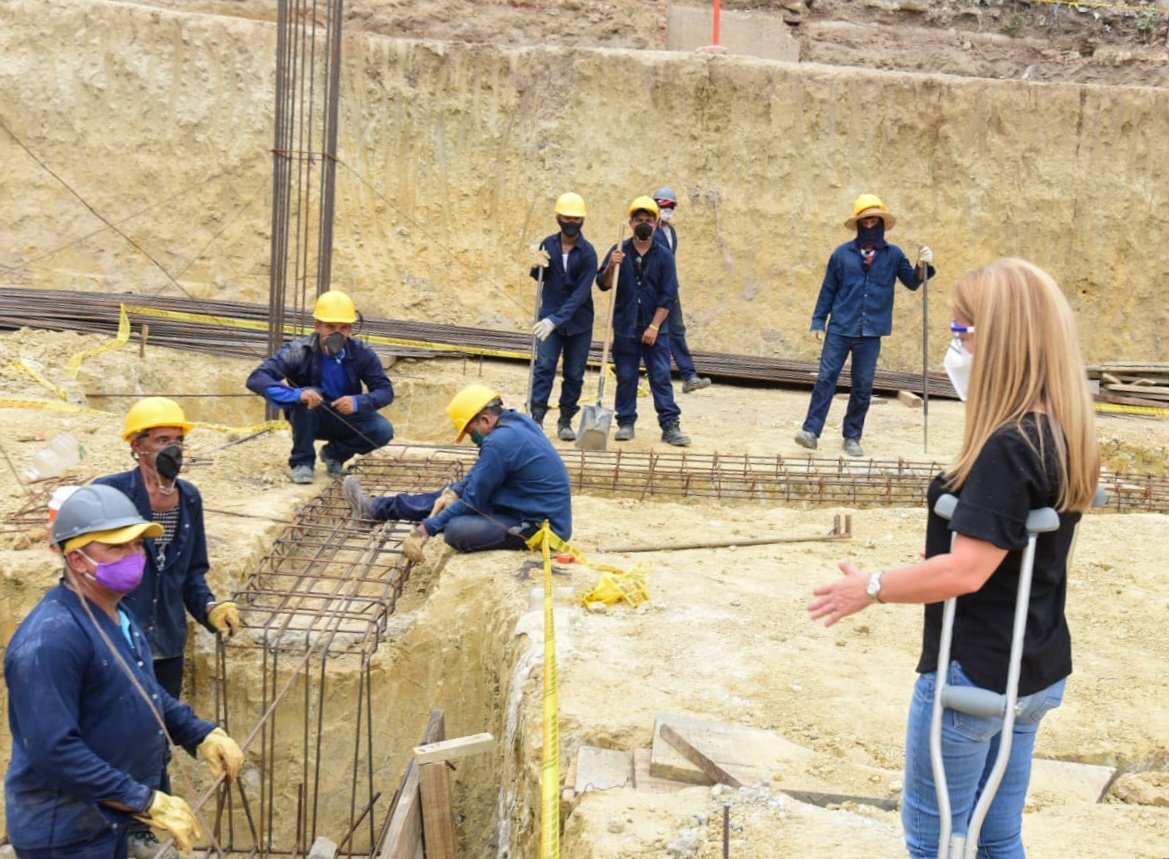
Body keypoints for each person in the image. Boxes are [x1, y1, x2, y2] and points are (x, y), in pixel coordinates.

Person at [807, 258, 1100, 858]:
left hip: (974, 669)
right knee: (997, 837)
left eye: (962, 332)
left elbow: (967, 572)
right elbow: (1010, 544)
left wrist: (871, 586)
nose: (953, 346)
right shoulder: (1061, 429)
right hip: (1035, 666)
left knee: (934, 840)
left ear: (1001, 341)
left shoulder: (1009, 445)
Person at [4, 484, 246, 857]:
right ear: (78, 560)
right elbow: (53, 751)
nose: (134, 556)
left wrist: (199, 733)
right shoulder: (50, 641)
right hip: (66, 835)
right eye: (116, 547)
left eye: (136, 545)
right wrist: (144, 801)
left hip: (108, 819)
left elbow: (143, 690)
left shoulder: (119, 614)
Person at [93, 397, 240, 701]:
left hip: (168, 641)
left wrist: (210, 608)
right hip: (118, 639)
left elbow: (192, 573)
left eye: (178, 440)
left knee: (160, 726)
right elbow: (89, 565)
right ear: (137, 445)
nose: (173, 449)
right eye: (162, 440)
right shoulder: (111, 492)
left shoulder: (188, 497)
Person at [342, 384, 572, 562]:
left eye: (472, 432)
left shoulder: (499, 442)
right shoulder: (517, 421)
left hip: (540, 526)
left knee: (456, 530)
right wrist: (455, 490)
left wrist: (424, 530)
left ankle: (376, 510)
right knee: (447, 499)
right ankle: (373, 509)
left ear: (485, 419)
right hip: (522, 503)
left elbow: (472, 501)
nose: (474, 439)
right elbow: (478, 478)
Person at [794, 193, 934, 457]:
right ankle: (811, 432)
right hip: (840, 328)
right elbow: (828, 289)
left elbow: (913, 282)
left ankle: (852, 437)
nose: (869, 227)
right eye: (865, 222)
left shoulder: (894, 255)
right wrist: (818, 321)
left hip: (871, 332)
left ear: (881, 223)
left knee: (863, 385)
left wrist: (923, 265)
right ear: (858, 225)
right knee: (826, 379)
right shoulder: (841, 255)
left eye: (874, 222)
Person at [246, 289, 395, 484]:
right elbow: (257, 379)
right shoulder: (298, 351)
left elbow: (385, 390)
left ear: (350, 330)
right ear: (317, 326)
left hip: (345, 415)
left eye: (343, 328)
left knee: (382, 429)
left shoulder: (361, 353)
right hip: (309, 416)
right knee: (310, 396)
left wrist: (358, 402)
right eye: (330, 326)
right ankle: (303, 462)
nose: (337, 333)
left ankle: (335, 454)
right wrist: (297, 395)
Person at [596, 196, 692, 446]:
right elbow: (603, 284)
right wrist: (611, 266)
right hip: (626, 327)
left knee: (660, 376)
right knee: (626, 376)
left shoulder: (664, 256)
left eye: (648, 220)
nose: (644, 224)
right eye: (639, 220)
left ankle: (670, 426)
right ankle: (626, 422)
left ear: (656, 222)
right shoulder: (619, 250)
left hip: (655, 331)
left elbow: (669, 295)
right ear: (630, 223)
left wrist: (654, 326)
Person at [528, 192, 599, 442]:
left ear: (582, 221)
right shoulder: (548, 244)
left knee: (574, 373)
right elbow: (540, 279)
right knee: (544, 367)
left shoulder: (588, 253)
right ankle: (536, 418)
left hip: (577, 323)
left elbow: (580, 295)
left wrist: (555, 320)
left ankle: (565, 419)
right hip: (549, 320)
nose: (571, 222)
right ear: (558, 217)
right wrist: (536, 266)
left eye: (576, 218)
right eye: (567, 217)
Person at [651, 185, 711, 394]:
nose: (668, 210)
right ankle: (654, 376)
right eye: (664, 206)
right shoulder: (650, 232)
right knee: (654, 331)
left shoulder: (671, 232)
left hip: (669, 290)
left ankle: (688, 375)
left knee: (676, 330)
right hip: (653, 291)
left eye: (671, 206)